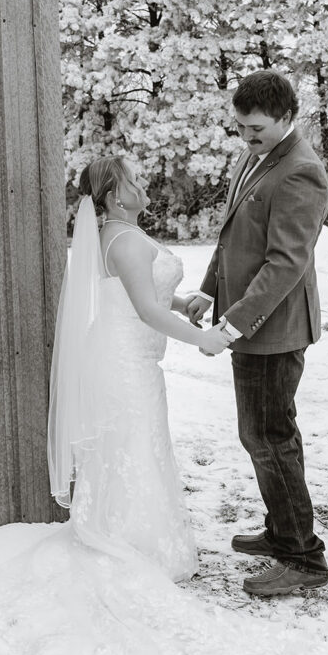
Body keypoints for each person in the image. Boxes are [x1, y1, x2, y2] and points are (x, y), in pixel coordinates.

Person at [47, 156, 229, 582]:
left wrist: (184, 303)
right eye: (133, 180)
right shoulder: (124, 240)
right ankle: (133, 545)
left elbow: (132, 293)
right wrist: (203, 339)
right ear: (114, 196)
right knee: (135, 449)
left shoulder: (121, 232)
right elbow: (147, 311)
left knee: (137, 446)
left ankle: (130, 534)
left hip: (131, 357)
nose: (142, 183)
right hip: (123, 361)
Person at [185, 69, 328, 598]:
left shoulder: (301, 171)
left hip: (273, 330)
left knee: (270, 439)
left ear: (288, 117)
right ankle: (281, 531)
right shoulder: (258, 155)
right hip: (246, 321)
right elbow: (234, 239)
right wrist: (206, 290)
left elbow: (285, 263)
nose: (245, 139)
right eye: (241, 129)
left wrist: (237, 321)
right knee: (261, 436)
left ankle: (302, 558)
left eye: (256, 130)